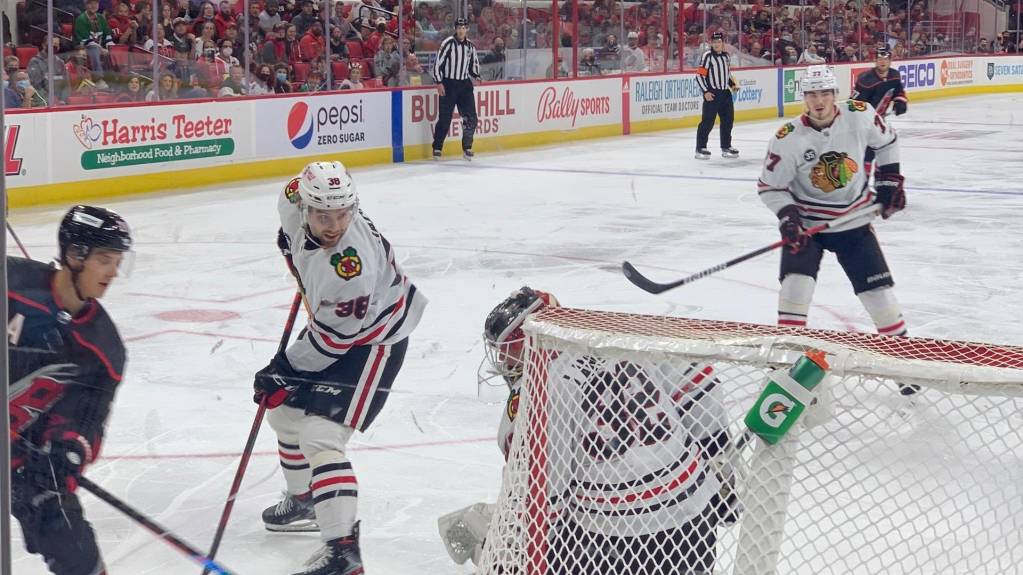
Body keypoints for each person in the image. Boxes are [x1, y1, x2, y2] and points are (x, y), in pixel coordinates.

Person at [439, 287, 739, 572]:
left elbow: (546, 497)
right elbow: (699, 383)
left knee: (524, 543)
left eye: (508, 352)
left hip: (616, 543)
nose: (504, 362)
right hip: (694, 519)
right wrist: (722, 470)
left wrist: (506, 548)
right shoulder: (619, 338)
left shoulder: (544, 390)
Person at [256, 161, 427, 575]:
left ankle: (342, 552)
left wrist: (283, 370)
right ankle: (306, 500)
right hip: (336, 327)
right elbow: (292, 193)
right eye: (323, 216)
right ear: (305, 208)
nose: (334, 226)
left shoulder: (350, 269)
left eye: (341, 215)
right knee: (284, 413)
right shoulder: (293, 199)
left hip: (376, 338)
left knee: (321, 435)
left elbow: (335, 341)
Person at [756, 65, 913, 394]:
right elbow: (770, 188)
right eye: (812, 94)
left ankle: (905, 368)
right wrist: (788, 217)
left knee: (878, 294)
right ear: (804, 98)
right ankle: (785, 366)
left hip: (853, 219)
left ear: (835, 94)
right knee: (795, 289)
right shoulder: (787, 138)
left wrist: (888, 182)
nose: (819, 101)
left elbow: (887, 143)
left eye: (825, 93)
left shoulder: (860, 114)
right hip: (808, 226)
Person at [9, 205, 134, 575]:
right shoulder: (12, 283)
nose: (113, 272)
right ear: (74, 255)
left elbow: (87, 418)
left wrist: (66, 453)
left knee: (75, 550)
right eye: (105, 260)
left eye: (117, 262)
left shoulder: (103, 346)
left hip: (21, 458)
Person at [850, 46, 907, 175]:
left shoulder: (894, 76)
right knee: (867, 155)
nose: (882, 62)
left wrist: (900, 102)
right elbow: (854, 104)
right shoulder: (866, 79)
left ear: (890, 61)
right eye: (880, 59)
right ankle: (862, 183)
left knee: (883, 150)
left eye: (885, 59)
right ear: (875, 61)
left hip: (879, 121)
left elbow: (898, 92)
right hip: (864, 124)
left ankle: (880, 181)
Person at [431, 17, 481, 160]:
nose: (461, 30)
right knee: (445, 119)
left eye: (463, 27)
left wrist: (476, 76)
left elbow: (473, 65)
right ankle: (437, 147)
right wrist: (439, 82)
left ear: (467, 29)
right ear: (455, 29)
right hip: (449, 84)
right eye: (459, 27)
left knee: (471, 118)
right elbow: (438, 64)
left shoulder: (470, 46)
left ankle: (467, 147)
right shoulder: (448, 43)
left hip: (465, 85)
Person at [695, 31, 739, 159]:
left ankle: (726, 146)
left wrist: (733, 85)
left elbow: (727, 74)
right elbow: (699, 76)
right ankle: (700, 147)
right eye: (714, 42)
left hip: (725, 94)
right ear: (711, 43)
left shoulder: (726, 56)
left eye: (719, 42)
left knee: (728, 121)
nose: (717, 44)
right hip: (712, 94)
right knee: (708, 122)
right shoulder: (707, 56)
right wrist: (705, 92)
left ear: (723, 43)